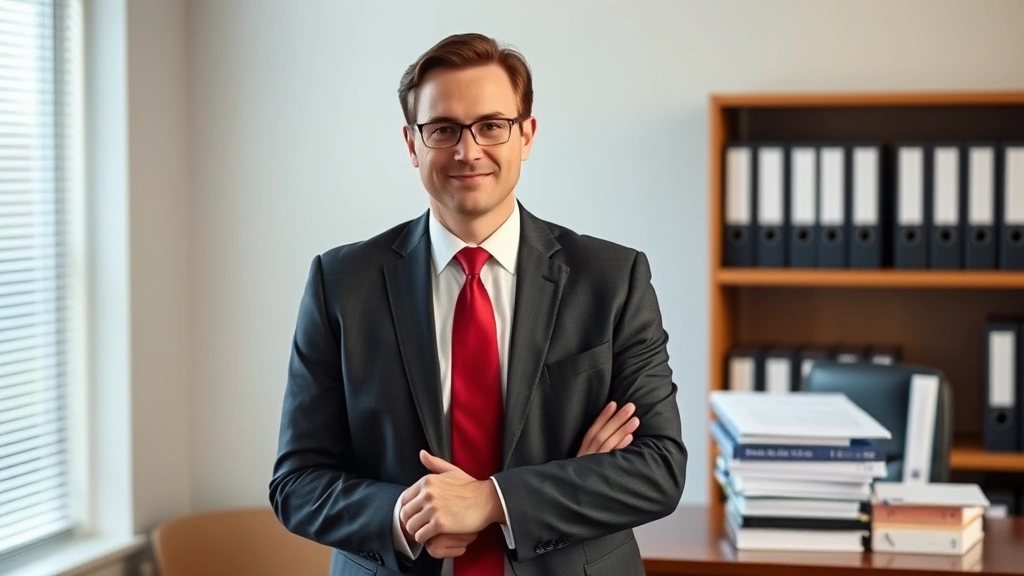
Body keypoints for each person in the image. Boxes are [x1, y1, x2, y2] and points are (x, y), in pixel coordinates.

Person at [270, 32, 687, 576]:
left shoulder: (612, 279)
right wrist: (406, 516)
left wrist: (495, 501)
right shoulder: (341, 283)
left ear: (526, 135)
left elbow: (658, 468)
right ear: (411, 144)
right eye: (443, 129)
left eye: (492, 125)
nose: (468, 151)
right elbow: (297, 482)